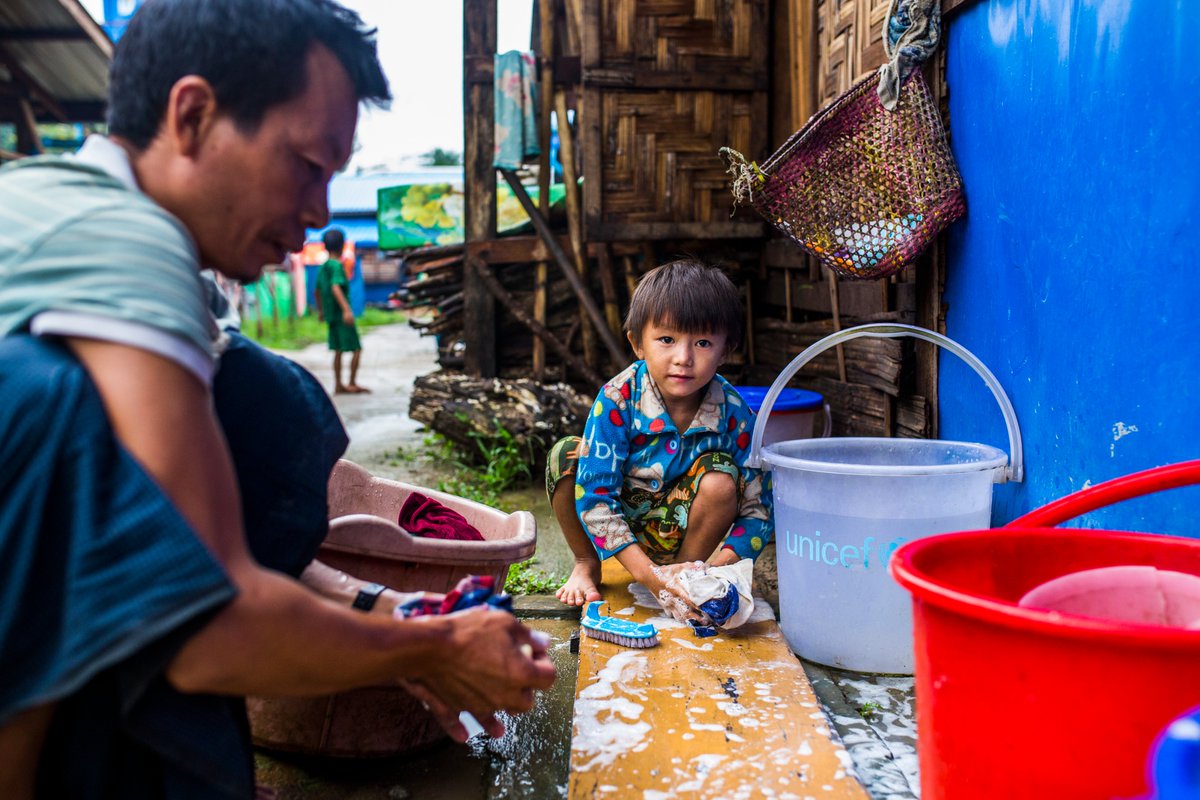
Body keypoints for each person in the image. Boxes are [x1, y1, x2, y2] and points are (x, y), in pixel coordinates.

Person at [0, 2, 554, 798]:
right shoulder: (124, 247)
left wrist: (396, 615)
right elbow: (206, 623)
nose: (320, 213)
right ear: (192, 115)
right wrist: (435, 652)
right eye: (306, 166)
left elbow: (203, 553)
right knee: (263, 401)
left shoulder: (57, 195)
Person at [547, 259, 774, 609]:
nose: (683, 358)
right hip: (617, 520)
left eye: (702, 343)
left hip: (684, 535)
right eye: (666, 339)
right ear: (638, 344)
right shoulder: (617, 399)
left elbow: (759, 510)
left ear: (725, 350)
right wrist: (647, 576)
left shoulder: (736, 415)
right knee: (566, 455)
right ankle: (586, 563)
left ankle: (683, 576)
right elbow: (595, 497)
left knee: (721, 479)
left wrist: (714, 570)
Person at [314, 227, 368, 393]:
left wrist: (321, 311)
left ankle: (338, 384)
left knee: (337, 350)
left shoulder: (323, 267)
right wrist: (346, 310)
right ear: (343, 245)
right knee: (356, 349)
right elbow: (336, 287)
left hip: (331, 315)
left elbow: (316, 291)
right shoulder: (337, 266)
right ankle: (351, 382)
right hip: (340, 316)